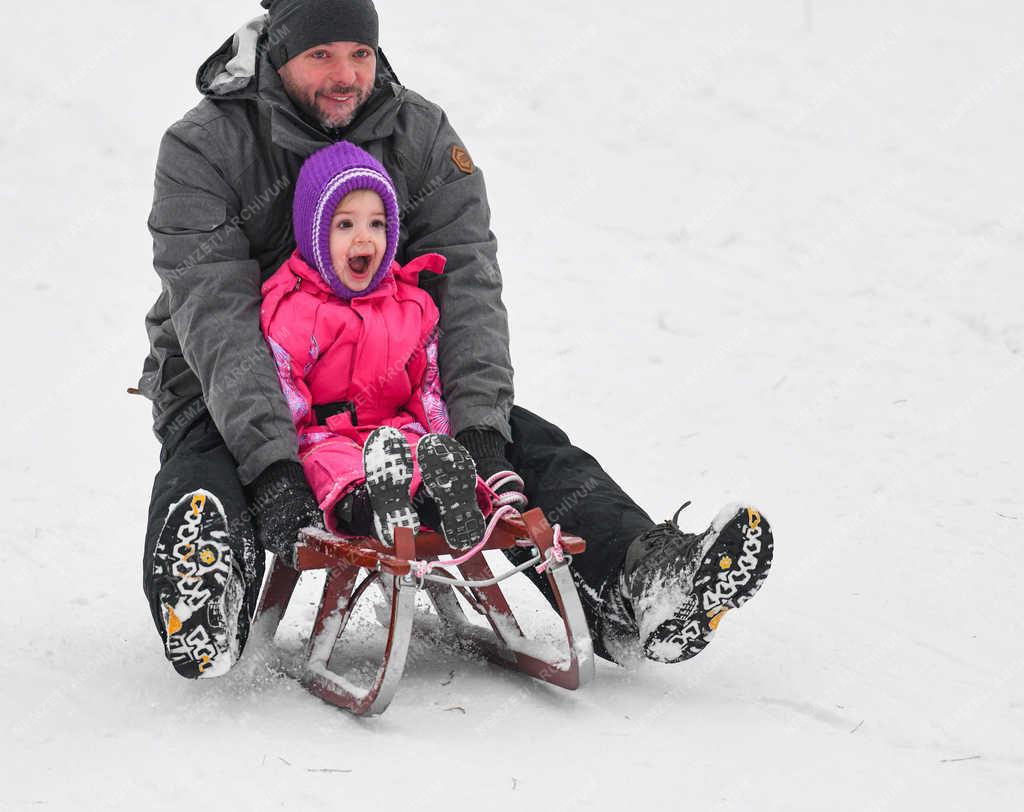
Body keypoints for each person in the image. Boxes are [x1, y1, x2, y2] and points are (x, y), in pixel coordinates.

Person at [139, 0, 774, 680]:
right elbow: (215, 317)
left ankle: (642, 583)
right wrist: (272, 466)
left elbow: (467, 287)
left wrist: (477, 427)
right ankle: (205, 596)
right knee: (211, 463)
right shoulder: (204, 147)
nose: (346, 74)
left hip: (388, 384)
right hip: (231, 377)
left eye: (360, 53)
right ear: (276, 51)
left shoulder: (420, 135)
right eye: (321, 55)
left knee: (525, 448)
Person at [261, 139, 494, 551]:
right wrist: (291, 453)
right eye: (345, 225)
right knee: (334, 467)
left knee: (422, 456)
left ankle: (446, 501)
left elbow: (428, 386)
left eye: (377, 224)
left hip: (395, 432)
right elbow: (285, 389)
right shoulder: (295, 308)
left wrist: (439, 437)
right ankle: (371, 509)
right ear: (314, 236)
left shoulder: (410, 305)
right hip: (324, 437)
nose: (364, 239)